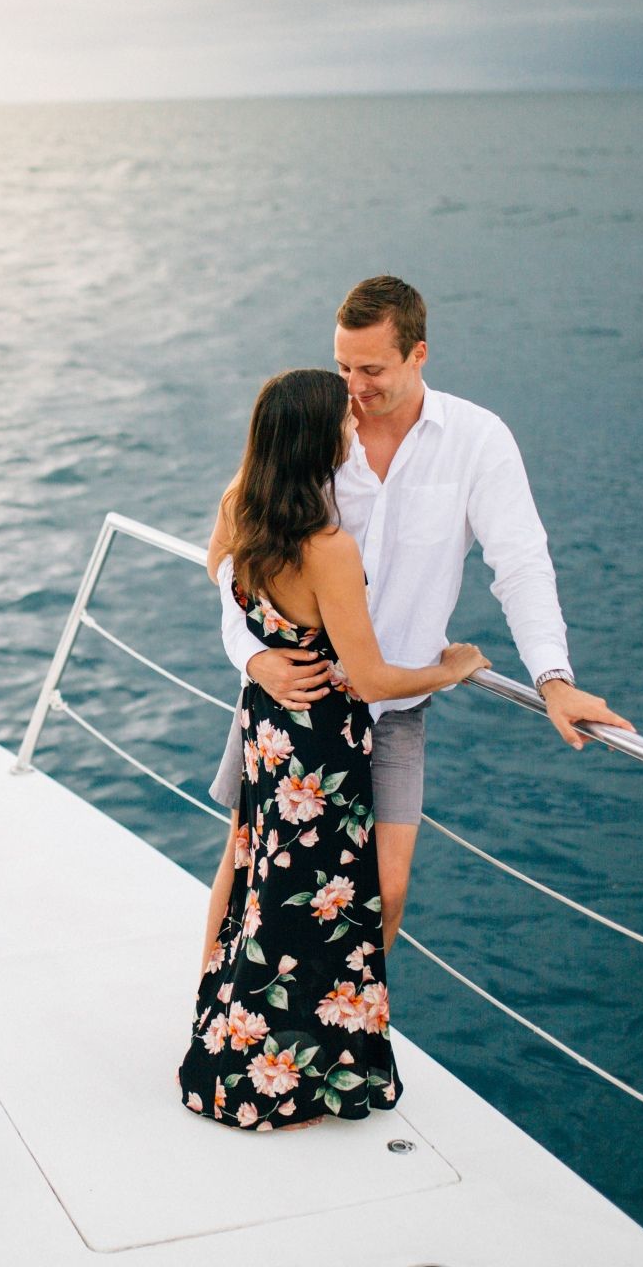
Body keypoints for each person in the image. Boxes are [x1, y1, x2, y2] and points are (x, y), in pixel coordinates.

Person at [209, 276, 632, 968]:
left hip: (393, 704)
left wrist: (553, 678)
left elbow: (521, 563)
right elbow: (231, 553)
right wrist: (250, 656)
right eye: (344, 367)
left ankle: (345, 1047)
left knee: (388, 887)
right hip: (294, 697)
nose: (353, 386)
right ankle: (213, 1024)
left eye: (371, 370)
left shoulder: (476, 441)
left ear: (418, 354)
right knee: (247, 872)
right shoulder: (316, 427)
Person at [176, 368, 490, 1132]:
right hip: (321, 747)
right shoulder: (327, 548)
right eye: (342, 415)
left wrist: (257, 654)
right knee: (320, 910)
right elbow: (375, 678)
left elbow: (216, 566)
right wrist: (448, 670)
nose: (356, 420)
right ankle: (294, 1080)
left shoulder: (242, 507)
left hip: (268, 726)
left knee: (260, 884)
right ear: (323, 438)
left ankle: (229, 1049)